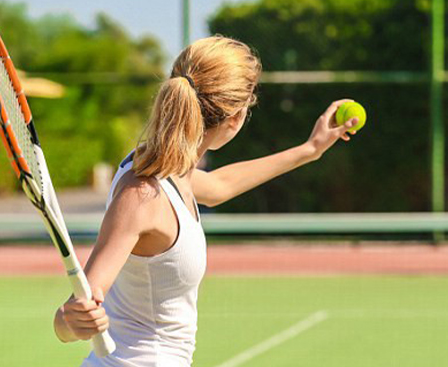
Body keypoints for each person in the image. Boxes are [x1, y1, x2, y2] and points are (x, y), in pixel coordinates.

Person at [52, 36, 360, 366]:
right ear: (236, 118)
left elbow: (218, 185)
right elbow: (66, 322)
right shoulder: (142, 194)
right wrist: (72, 320)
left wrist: (309, 150)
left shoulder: (165, 171)